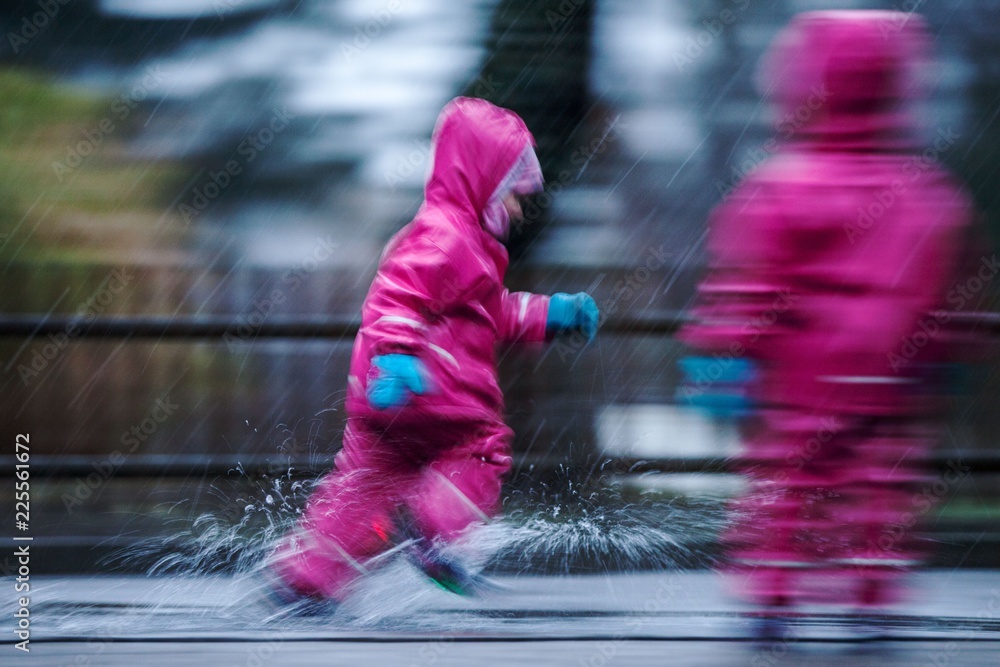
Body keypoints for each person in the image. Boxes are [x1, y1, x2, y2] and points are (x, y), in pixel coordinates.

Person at [679, 10, 975, 628]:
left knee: (789, 484)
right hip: (884, 382)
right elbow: (942, 296)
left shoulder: (774, 189)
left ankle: (775, 589)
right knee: (877, 482)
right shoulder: (925, 193)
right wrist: (942, 354)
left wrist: (719, 360)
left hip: (798, 383)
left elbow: (747, 289)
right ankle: (869, 583)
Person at [266, 96, 599, 607]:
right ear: (481, 182)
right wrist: (399, 356)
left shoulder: (448, 239)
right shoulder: (449, 238)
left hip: (387, 394)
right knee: (481, 449)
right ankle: (439, 537)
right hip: (434, 390)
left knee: (364, 483)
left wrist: (549, 315)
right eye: (511, 194)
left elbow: (489, 313)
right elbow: (398, 296)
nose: (516, 208)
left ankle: (307, 578)